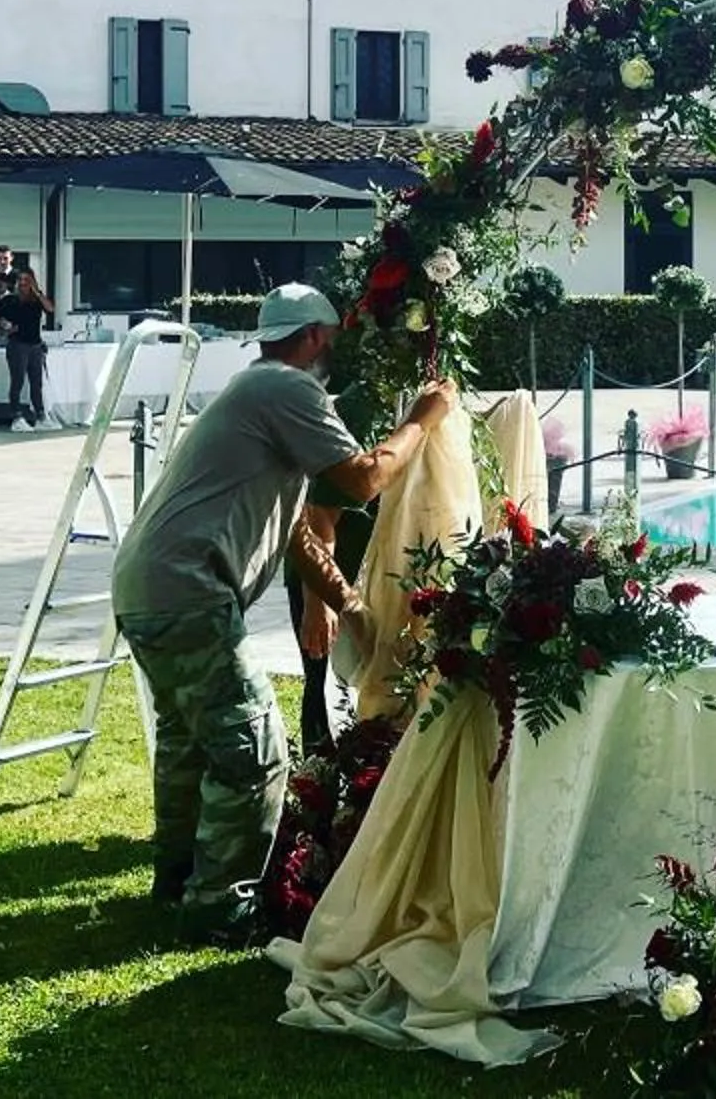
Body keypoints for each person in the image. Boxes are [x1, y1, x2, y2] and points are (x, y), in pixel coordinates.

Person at [112, 284, 453, 939]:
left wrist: (345, 603)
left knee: (191, 741)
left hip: (149, 586)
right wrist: (423, 416)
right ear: (318, 336)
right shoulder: (287, 390)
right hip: (187, 589)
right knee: (253, 746)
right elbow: (361, 479)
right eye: (336, 337)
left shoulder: (254, 392)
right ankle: (222, 911)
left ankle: (178, 881)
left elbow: (294, 525)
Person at [0, 262, 55, 432]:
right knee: (18, 381)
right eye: (21, 280)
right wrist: (1, 330)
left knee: (37, 383)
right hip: (17, 345)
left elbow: (50, 309)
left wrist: (38, 292)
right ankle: (16, 417)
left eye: (27, 280)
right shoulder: (10, 300)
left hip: (35, 345)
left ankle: (41, 416)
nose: (23, 283)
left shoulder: (36, 301)